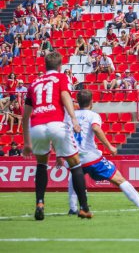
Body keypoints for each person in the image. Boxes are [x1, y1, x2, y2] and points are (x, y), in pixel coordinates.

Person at [22, 52, 91, 220]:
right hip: (56, 123)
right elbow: (65, 96)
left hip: (37, 126)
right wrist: (74, 118)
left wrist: (26, 142)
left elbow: (25, 116)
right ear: (60, 66)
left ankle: (39, 202)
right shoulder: (61, 78)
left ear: (45, 66)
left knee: (41, 165)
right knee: (75, 165)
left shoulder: (34, 83)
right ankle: (83, 208)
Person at [66, 90, 139, 216]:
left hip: (74, 156)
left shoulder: (71, 116)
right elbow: (96, 128)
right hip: (92, 158)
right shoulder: (93, 115)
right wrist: (109, 147)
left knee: (74, 176)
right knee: (119, 179)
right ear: (91, 102)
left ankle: (72, 207)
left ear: (78, 102)